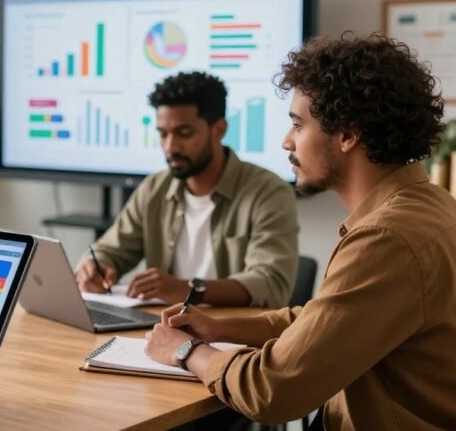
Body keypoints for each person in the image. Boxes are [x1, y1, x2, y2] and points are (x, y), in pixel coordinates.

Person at [144, 33, 456, 429]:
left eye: (297, 124)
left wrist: (187, 350)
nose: (286, 141)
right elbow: (325, 322)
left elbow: (271, 391)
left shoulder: (388, 238)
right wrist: (221, 327)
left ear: (347, 134)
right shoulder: (431, 206)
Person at [75, 72, 299, 308]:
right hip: (164, 329)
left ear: (218, 130)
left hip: (233, 336)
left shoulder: (269, 192)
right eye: (163, 134)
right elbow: (109, 250)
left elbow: (271, 283)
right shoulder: (154, 189)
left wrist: (188, 289)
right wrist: (96, 267)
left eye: (184, 133)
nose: (170, 146)